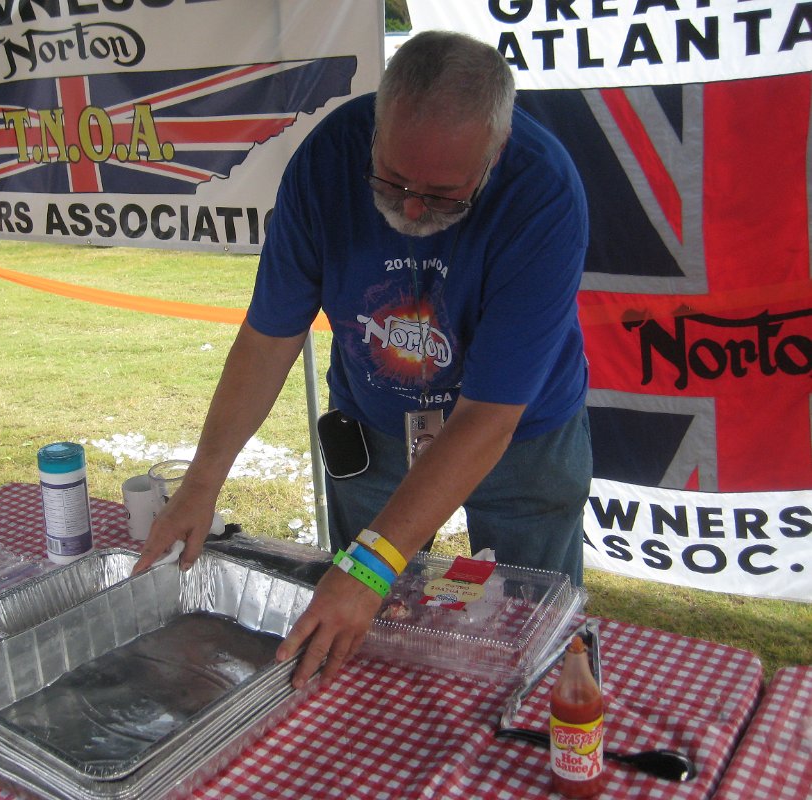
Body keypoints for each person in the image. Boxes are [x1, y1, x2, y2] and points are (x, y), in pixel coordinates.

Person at [133, 31, 591, 690]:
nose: (408, 208)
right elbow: (268, 338)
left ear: (495, 151)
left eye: (441, 195)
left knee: (537, 641)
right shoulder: (325, 161)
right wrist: (202, 481)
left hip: (521, 439)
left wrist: (371, 564)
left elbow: (487, 416)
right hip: (375, 430)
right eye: (392, 178)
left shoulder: (541, 194)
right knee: (361, 628)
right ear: (376, 125)